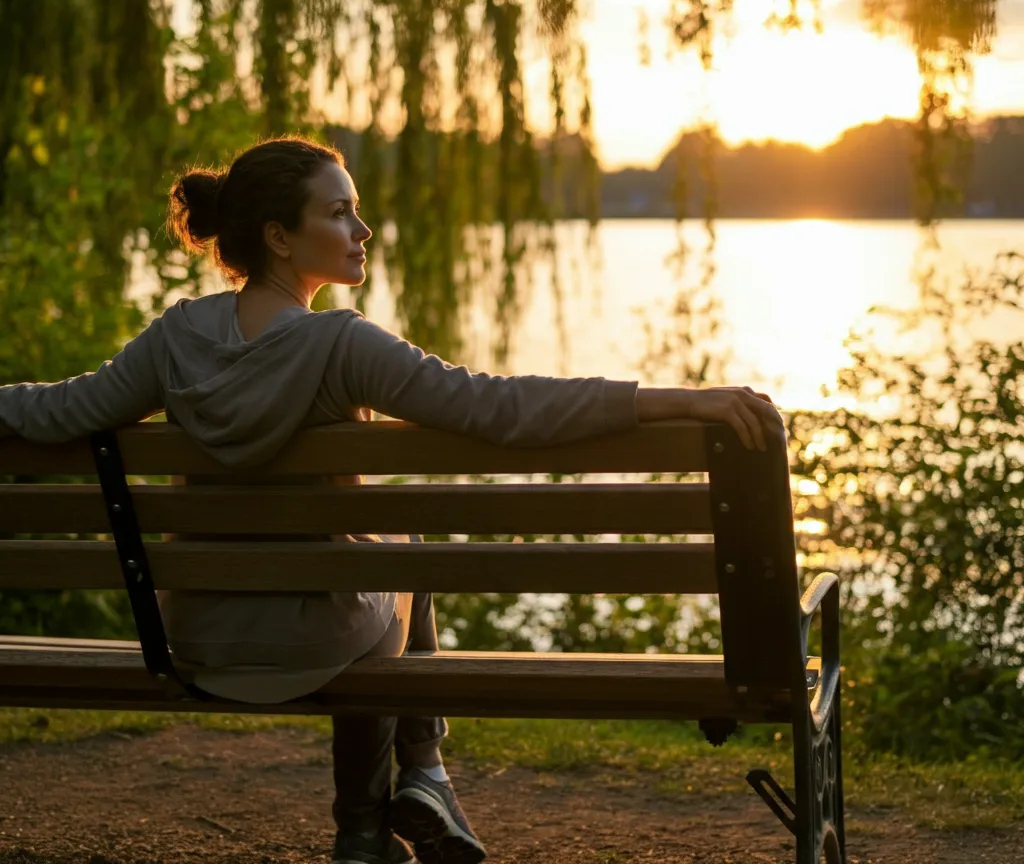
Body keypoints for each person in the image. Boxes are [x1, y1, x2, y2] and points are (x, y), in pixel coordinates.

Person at [0, 136, 784, 864]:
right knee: (399, 557)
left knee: (374, 570)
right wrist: (682, 399)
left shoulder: (173, 339)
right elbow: (498, 407)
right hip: (314, 645)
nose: (361, 229)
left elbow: (57, 411)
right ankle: (400, 794)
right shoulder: (341, 345)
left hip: (198, 638)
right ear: (279, 236)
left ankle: (391, 812)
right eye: (338, 212)